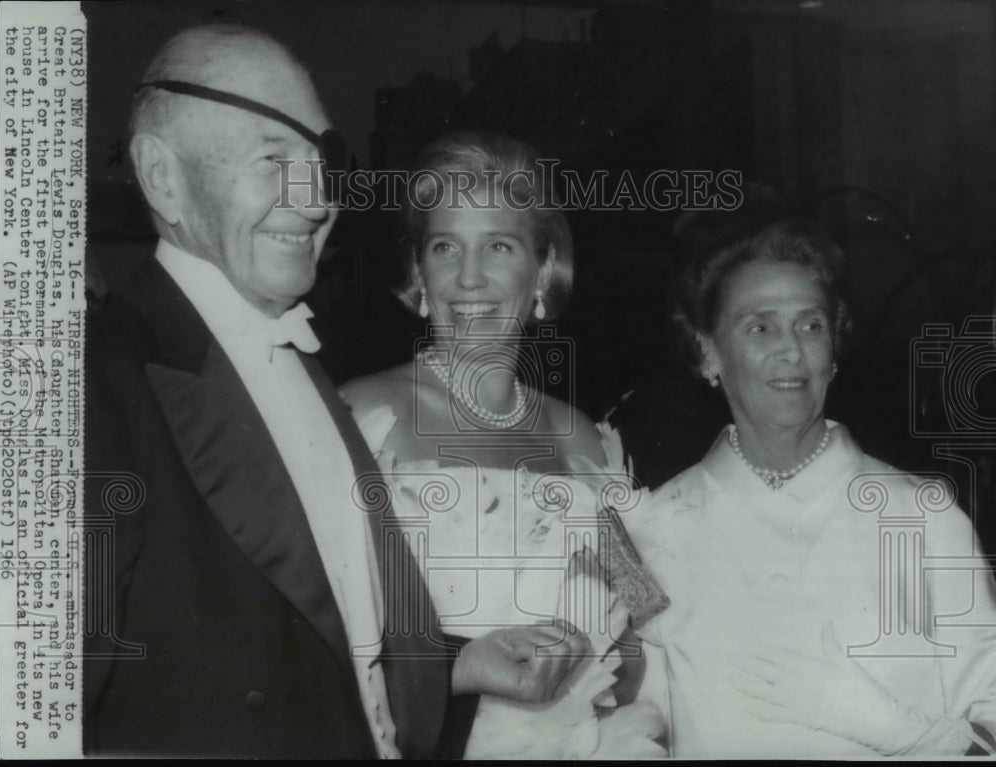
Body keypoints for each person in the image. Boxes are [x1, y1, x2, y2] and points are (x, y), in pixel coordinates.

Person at [83, 26, 588, 759]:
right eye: (272, 157)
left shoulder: (304, 376)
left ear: (543, 274)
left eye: (317, 162)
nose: (316, 200)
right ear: (162, 178)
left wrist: (480, 658)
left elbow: (349, 645)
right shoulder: (96, 386)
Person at [340, 130, 668, 759]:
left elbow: (637, 646)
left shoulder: (581, 441)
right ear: (418, 271)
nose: (468, 278)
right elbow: (320, 641)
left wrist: (590, 651)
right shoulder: (364, 416)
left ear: (543, 269)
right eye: (444, 246)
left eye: (498, 245)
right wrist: (458, 666)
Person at [621, 211, 996, 757]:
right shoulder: (654, 528)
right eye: (760, 326)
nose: (792, 350)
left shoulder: (924, 518)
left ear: (833, 350)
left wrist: (891, 728)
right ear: (707, 351)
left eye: (811, 324)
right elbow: (638, 730)